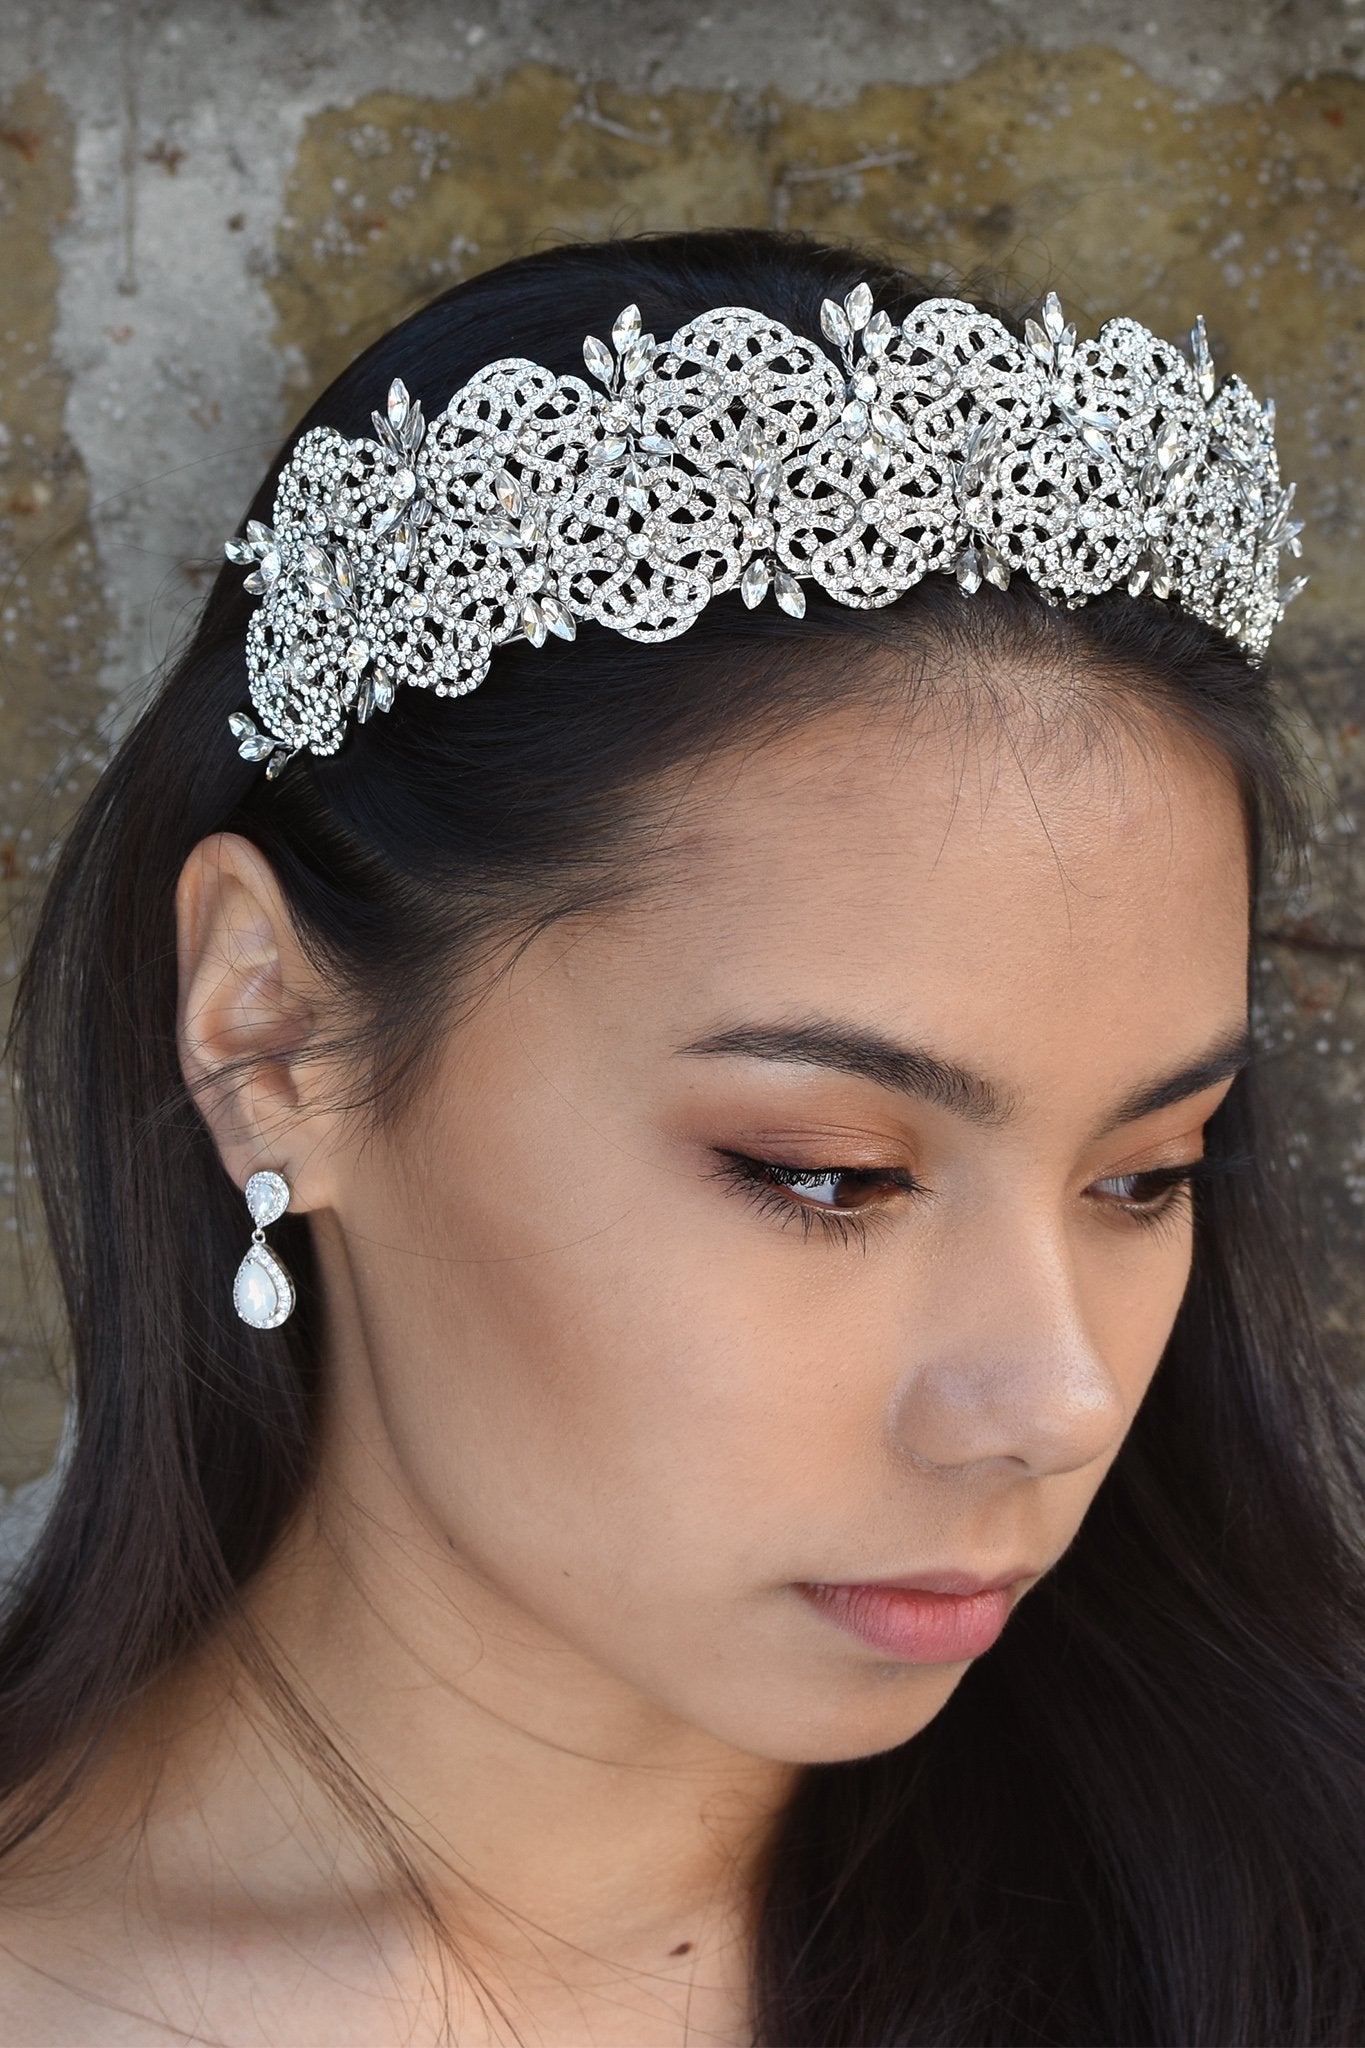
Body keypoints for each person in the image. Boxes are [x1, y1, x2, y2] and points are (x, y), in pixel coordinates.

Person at [0, 225, 1360, 2047]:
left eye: (1143, 1177)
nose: (1053, 1404)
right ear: (272, 1036)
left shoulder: (1280, 1933)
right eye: (827, 1175)